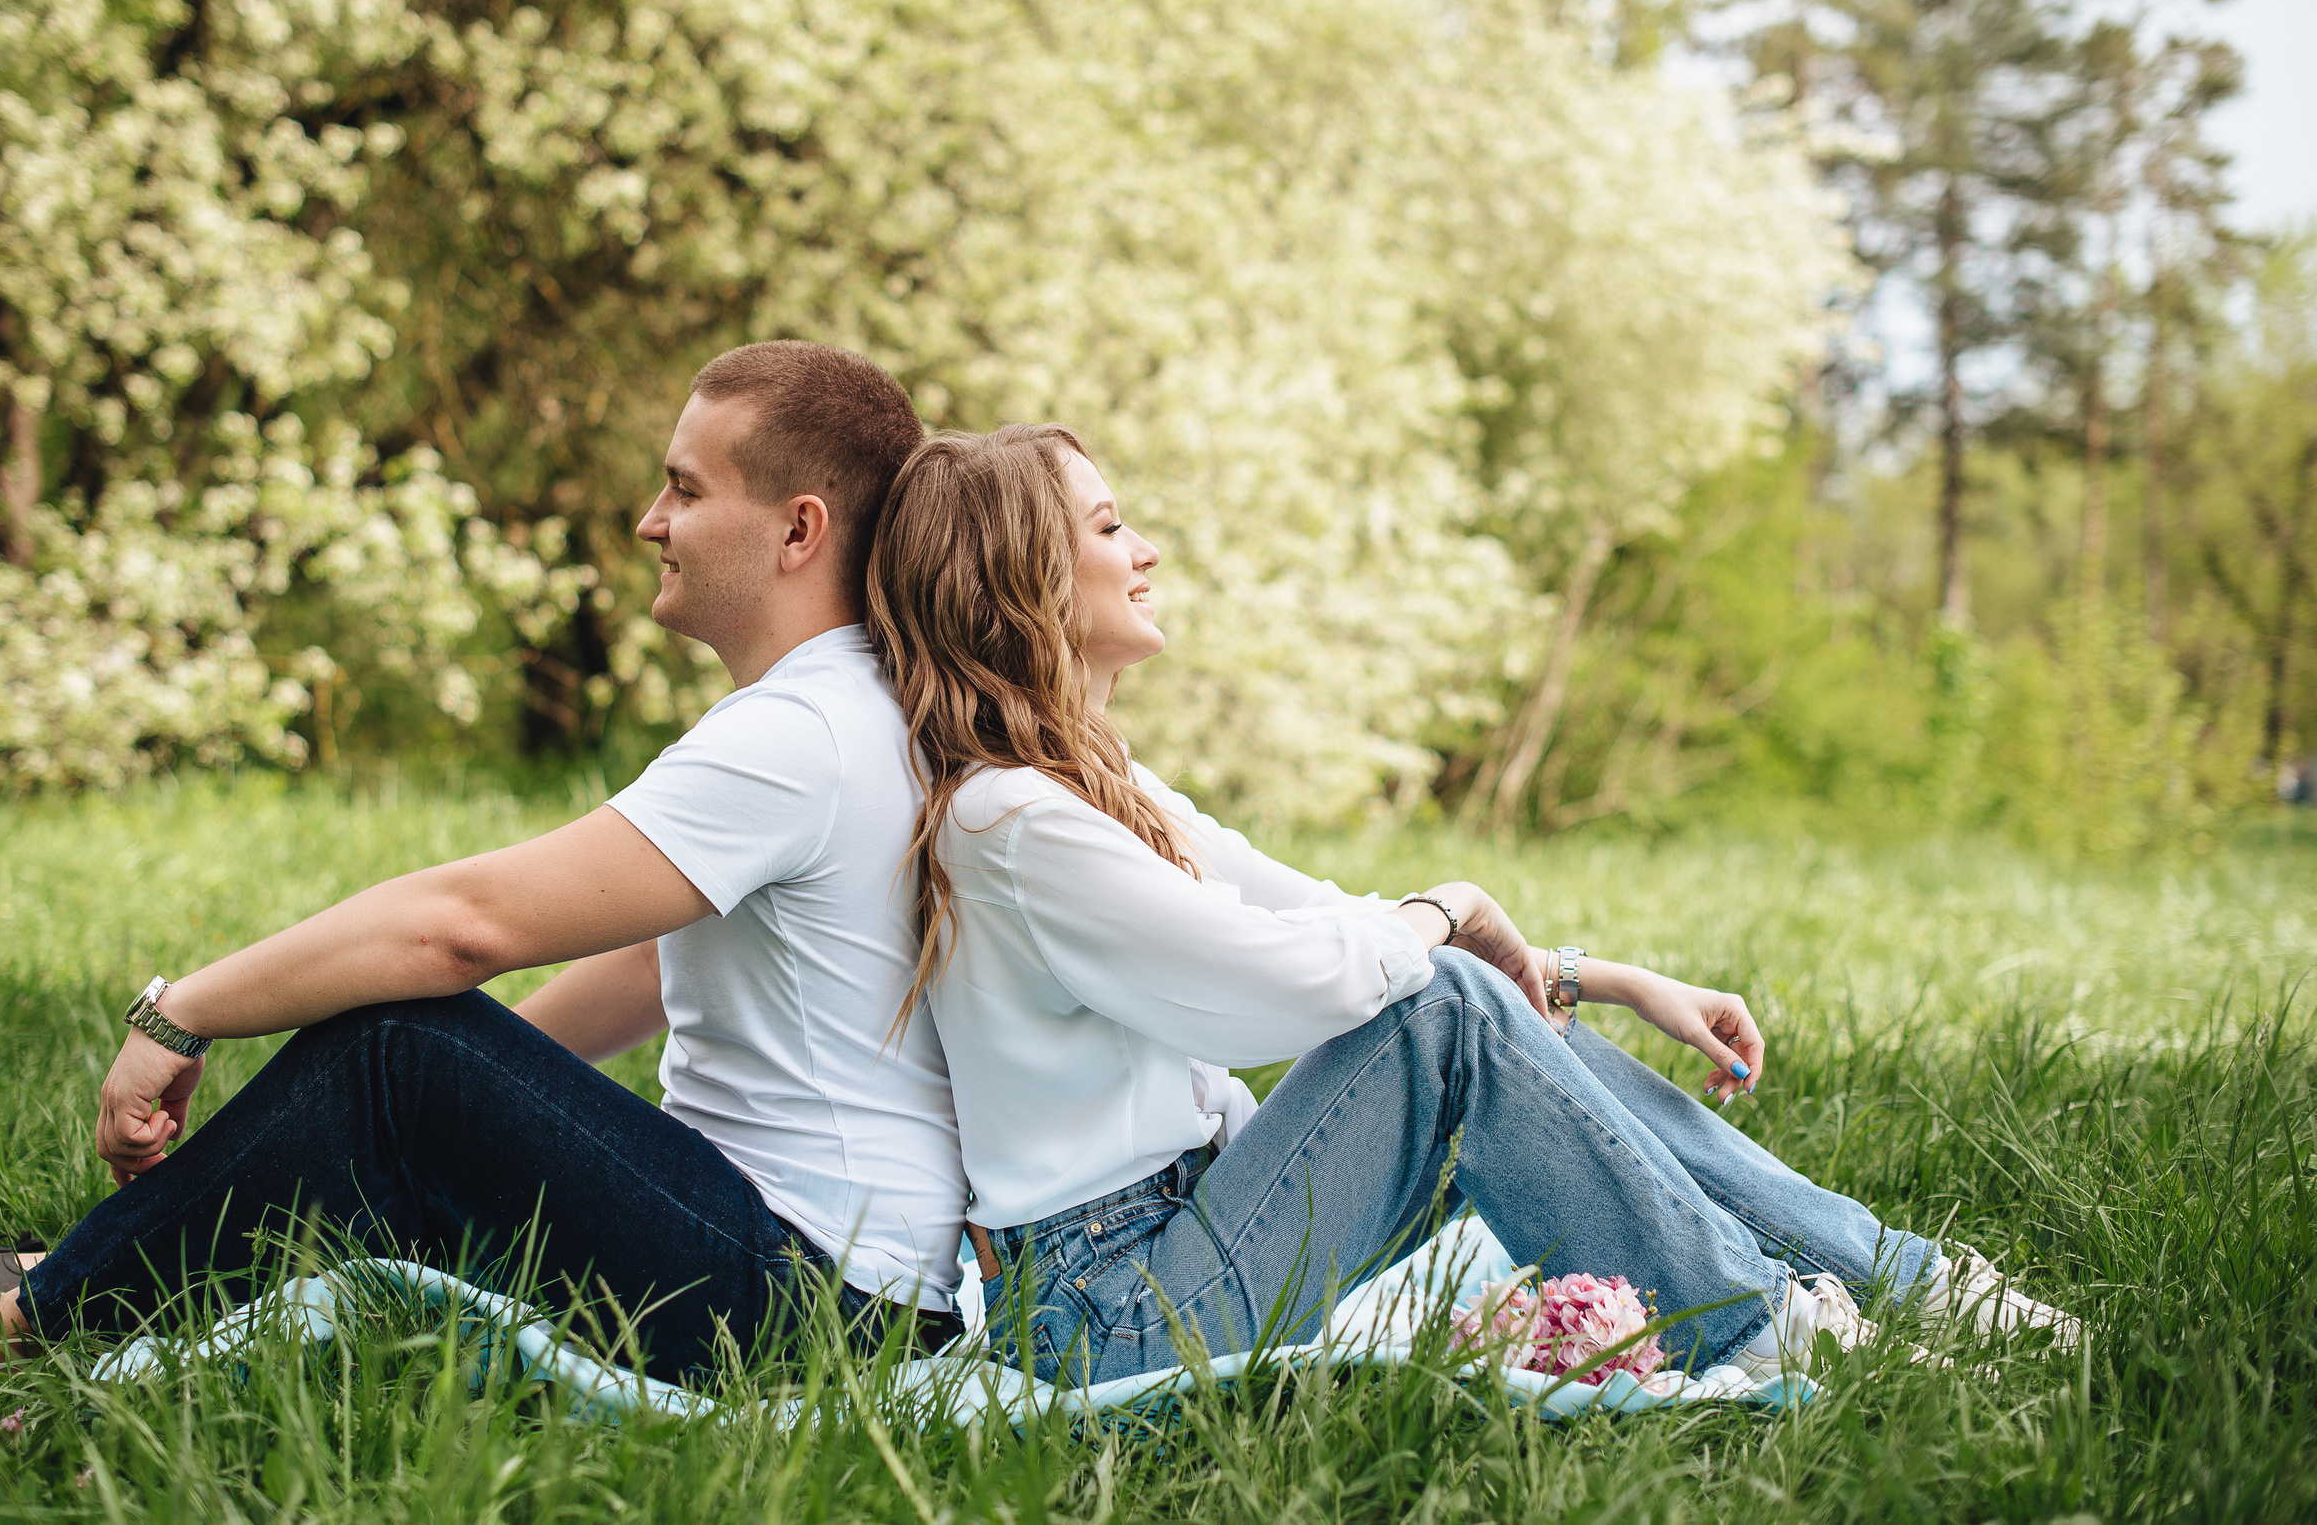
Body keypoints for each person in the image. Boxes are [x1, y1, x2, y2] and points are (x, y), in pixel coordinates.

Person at [863, 422, 2080, 1386]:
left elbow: (1319, 917)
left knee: (1440, 988)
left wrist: (1591, 976)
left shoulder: (1096, 788)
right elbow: (1283, 994)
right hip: (1112, 1313)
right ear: (1017, 576)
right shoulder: (1005, 823)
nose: (1147, 551)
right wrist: (1450, 909)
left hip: (1194, 1239)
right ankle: (1759, 1323)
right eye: (1111, 525)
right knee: (1433, 994)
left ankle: (1901, 1279)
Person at [0, 341, 968, 1380]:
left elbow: (456, 928)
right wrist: (469, 1112)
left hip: (810, 1305)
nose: (647, 521)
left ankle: (7, 1334)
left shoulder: (801, 736)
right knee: (414, 1071)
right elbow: (652, 968)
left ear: (797, 529)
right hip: (844, 1294)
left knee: (395, 1036)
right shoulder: (856, 709)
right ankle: (82, 1275)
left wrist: (178, 1016)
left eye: (684, 488)